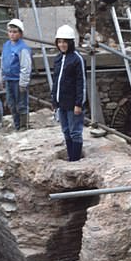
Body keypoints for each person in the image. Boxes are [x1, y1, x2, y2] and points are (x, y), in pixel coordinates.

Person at [50, 24, 86, 161]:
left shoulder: (77, 59)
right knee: (66, 131)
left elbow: (81, 83)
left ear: (71, 42)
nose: (62, 44)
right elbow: (56, 81)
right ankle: (71, 157)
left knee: (75, 132)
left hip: (73, 104)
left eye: (65, 42)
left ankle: (75, 159)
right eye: (59, 41)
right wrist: (54, 100)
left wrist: (79, 103)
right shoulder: (58, 59)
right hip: (61, 103)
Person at [1, 18, 32, 131]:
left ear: (20, 33)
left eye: (15, 32)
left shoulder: (23, 48)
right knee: (11, 104)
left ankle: (23, 126)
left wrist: (23, 83)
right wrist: (2, 76)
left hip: (18, 80)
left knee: (21, 104)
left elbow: (25, 66)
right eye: (10, 31)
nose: (12, 34)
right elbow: (3, 61)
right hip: (8, 79)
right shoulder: (6, 45)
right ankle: (17, 125)